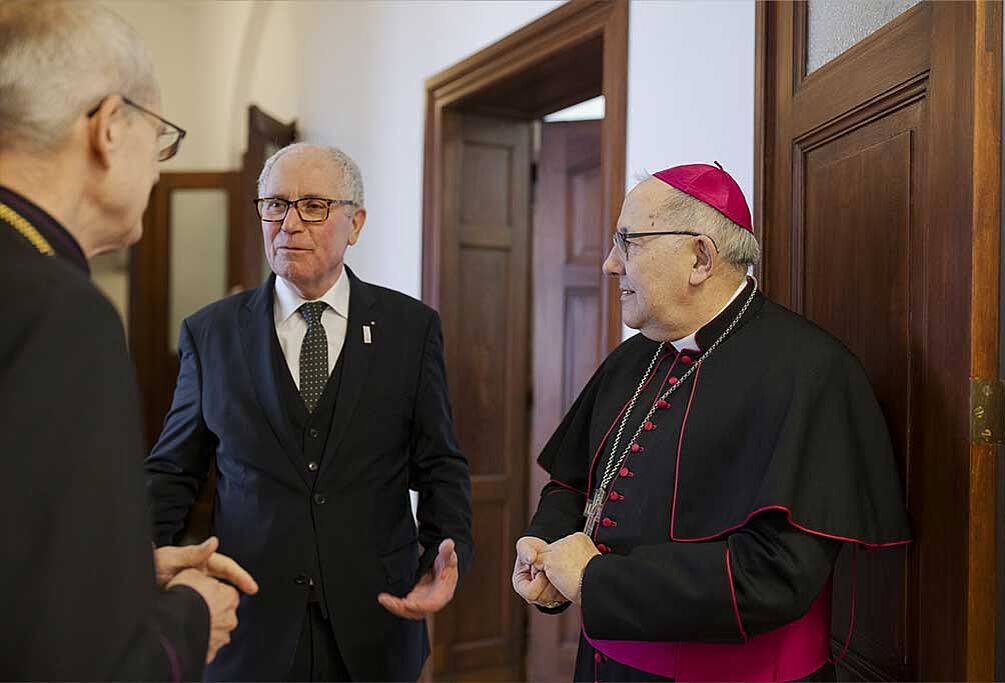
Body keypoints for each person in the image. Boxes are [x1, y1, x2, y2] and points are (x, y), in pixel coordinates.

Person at [512, 163, 911, 682]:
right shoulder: (631, 361)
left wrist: (595, 581)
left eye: (628, 242)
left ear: (700, 257)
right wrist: (544, 551)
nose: (610, 264)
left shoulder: (811, 372)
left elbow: (776, 574)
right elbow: (572, 485)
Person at [145, 142, 474, 681]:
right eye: (275, 205)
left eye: (313, 206)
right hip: (248, 623)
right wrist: (142, 564)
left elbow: (440, 462)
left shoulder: (410, 329)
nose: (288, 223)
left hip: (377, 619)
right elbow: (172, 470)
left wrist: (447, 552)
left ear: (355, 222)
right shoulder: (210, 334)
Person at [0, 2, 255, 680]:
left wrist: (121, 573)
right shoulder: (60, 311)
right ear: (110, 128)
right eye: (162, 138)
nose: (161, 169)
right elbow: (79, 663)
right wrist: (191, 614)